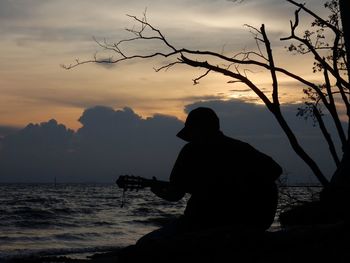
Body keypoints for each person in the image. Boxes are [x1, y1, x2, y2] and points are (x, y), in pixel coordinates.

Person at [137, 107, 282, 244]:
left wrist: (155, 189)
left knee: (145, 244)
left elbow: (175, 195)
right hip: (248, 221)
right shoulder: (239, 147)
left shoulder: (190, 152)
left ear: (198, 130)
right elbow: (275, 170)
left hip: (201, 222)